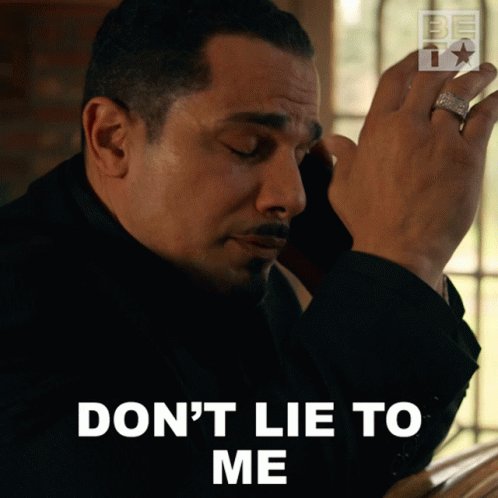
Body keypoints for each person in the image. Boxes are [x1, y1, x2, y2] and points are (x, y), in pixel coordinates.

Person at [0, 0, 496, 496]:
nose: (293, 196)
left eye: (299, 153)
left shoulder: (246, 269)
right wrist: (399, 259)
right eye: (246, 146)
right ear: (112, 139)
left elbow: (373, 456)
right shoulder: (18, 300)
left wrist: (391, 258)